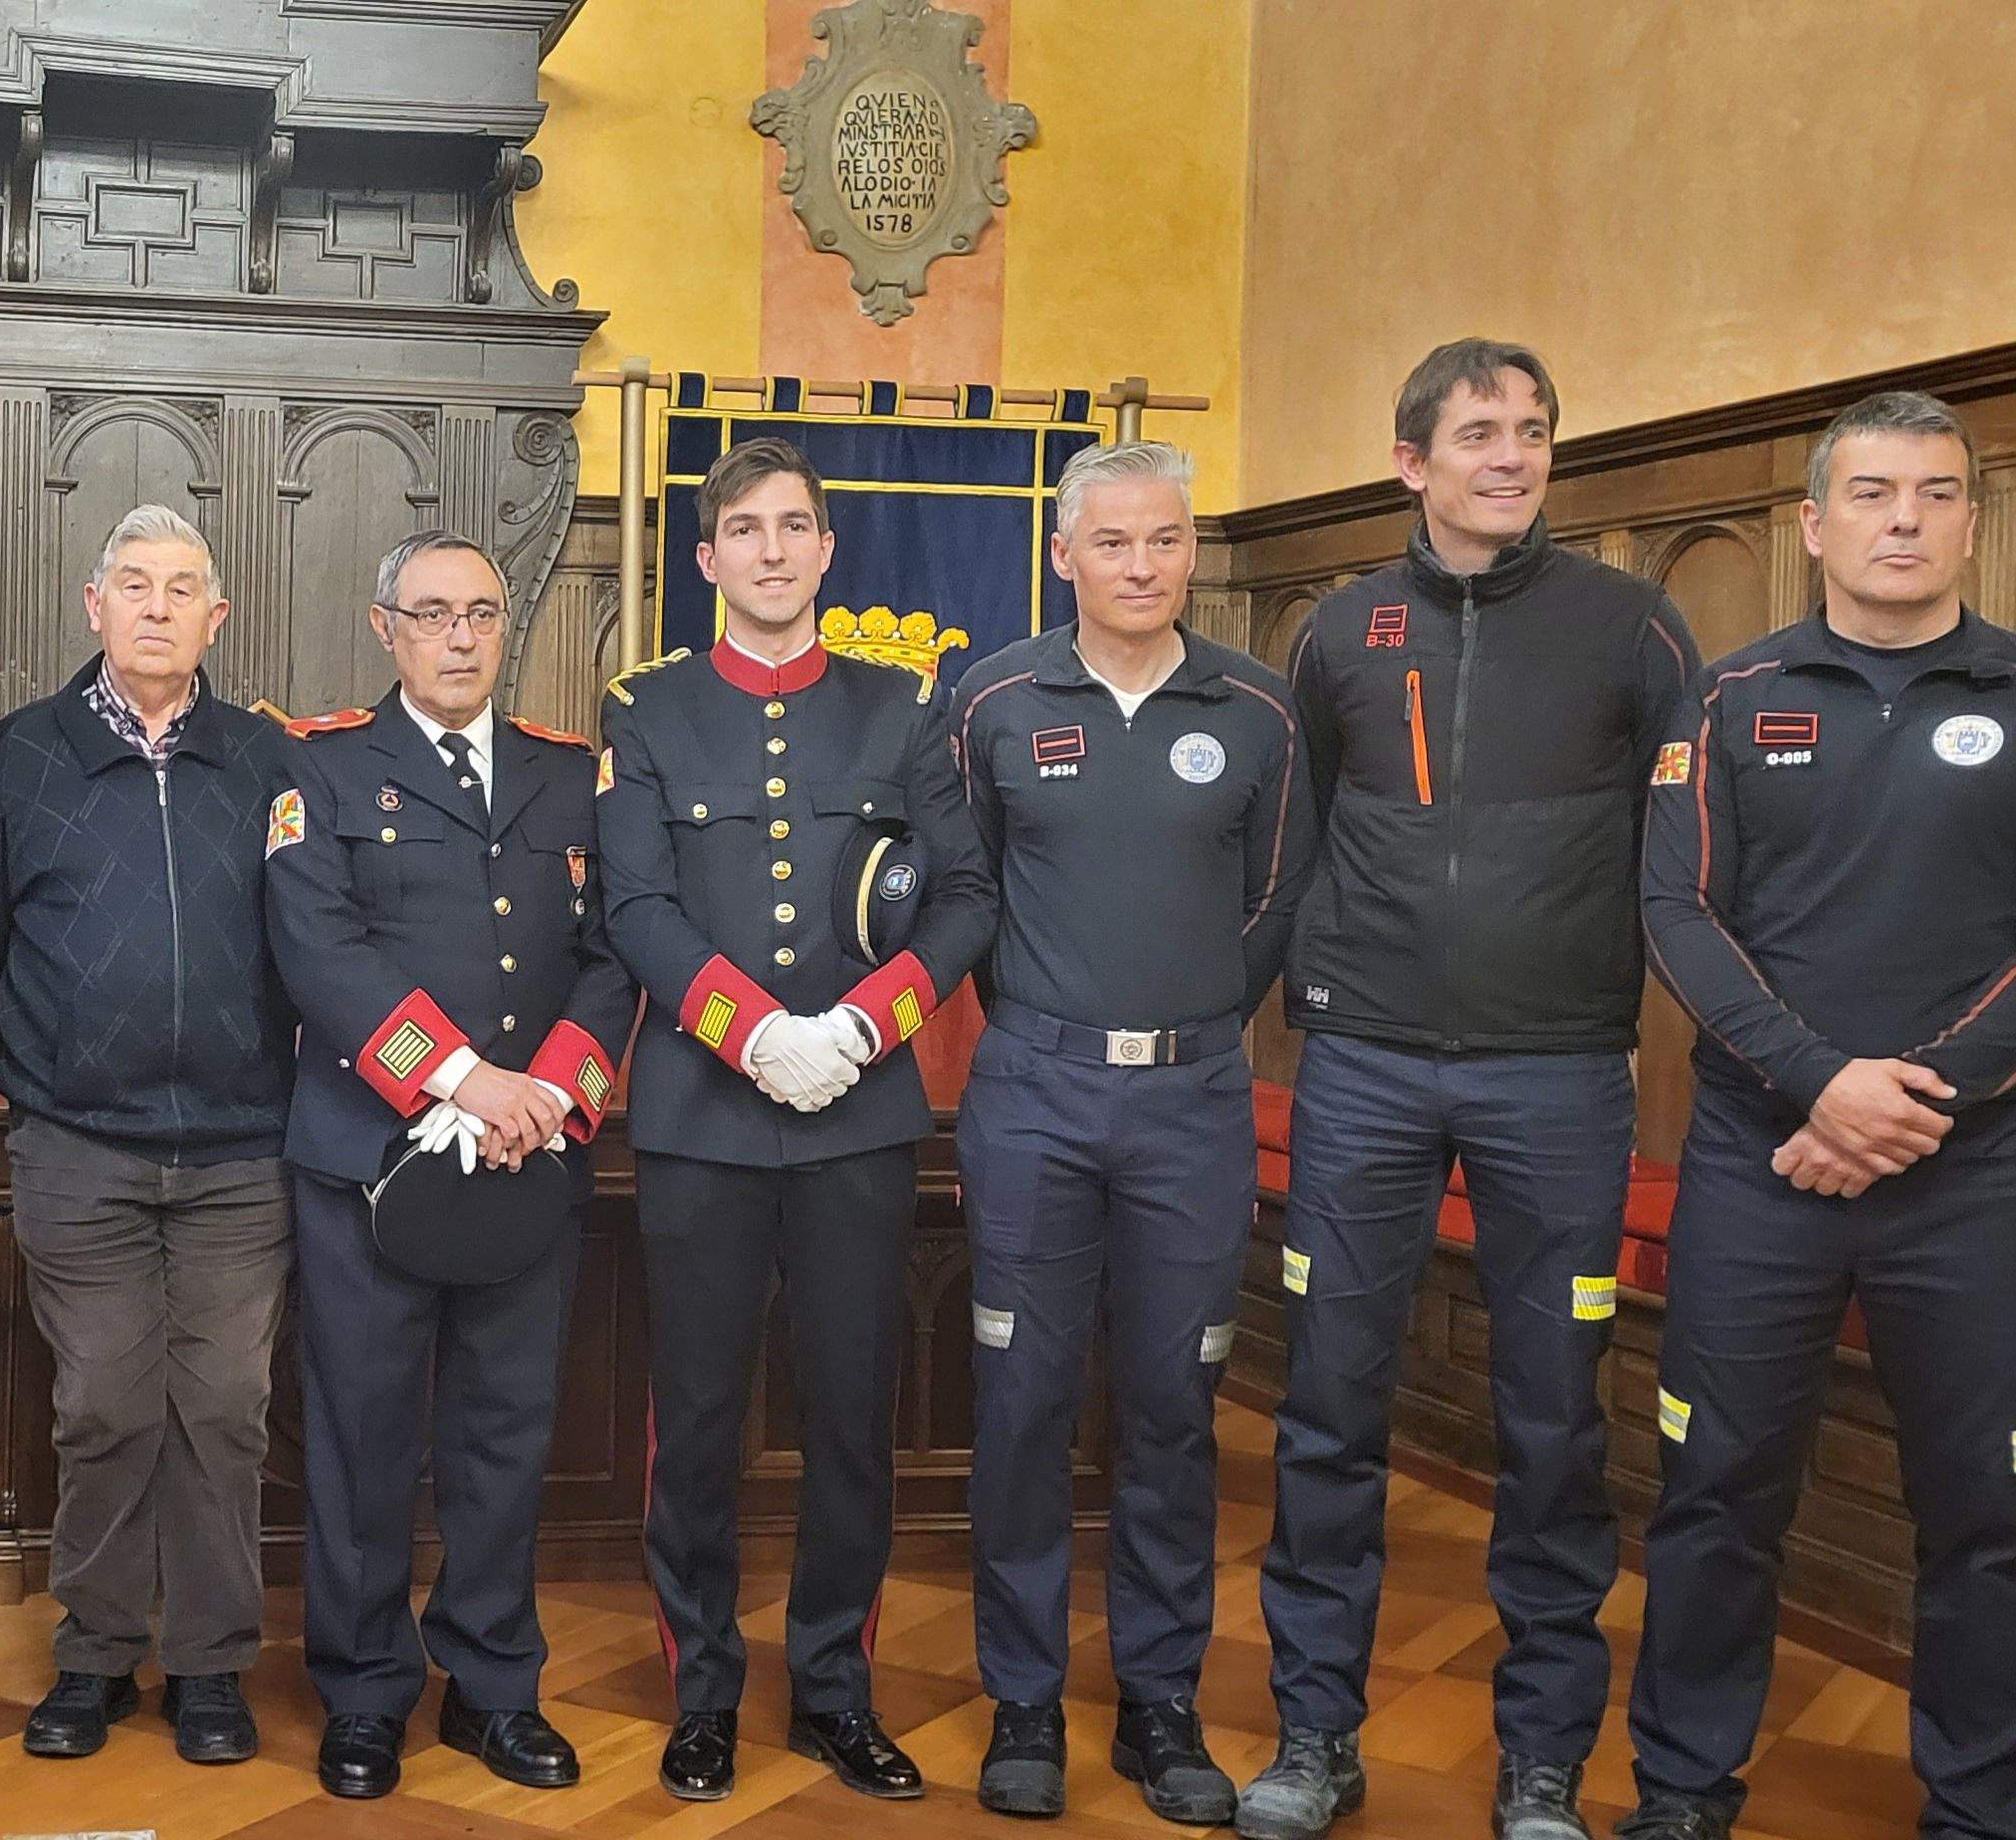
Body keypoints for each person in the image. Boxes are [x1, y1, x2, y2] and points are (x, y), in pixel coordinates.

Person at [1622, 391, 2016, 1840]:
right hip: (1756, 1166)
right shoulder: (1725, 700)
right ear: (1813, 524)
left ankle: (1981, 1810)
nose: (1903, 517)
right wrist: (1819, 1084)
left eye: (1934, 492)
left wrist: (1910, 1101)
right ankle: (1680, 1788)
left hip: (1970, 1188)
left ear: (1975, 517)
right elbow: (1679, 912)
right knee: (1714, 1494)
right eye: (1871, 493)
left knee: (1988, 1519)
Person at [1248, 341, 1698, 1840]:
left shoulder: (1633, 631)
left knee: (1557, 1424)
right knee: (1326, 1409)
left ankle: (1543, 1760)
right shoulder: (1336, 634)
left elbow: (1688, 861)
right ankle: (1316, 1734)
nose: (1513, 456)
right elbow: (1291, 841)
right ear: (1412, 462)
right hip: (1365, 1073)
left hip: (1558, 1079)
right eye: (1480, 432)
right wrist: (1305, 999)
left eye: (1534, 431)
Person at [594, 436, 996, 1805]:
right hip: (703, 1117)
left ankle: (834, 1689)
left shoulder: (903, 710)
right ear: (706, 561)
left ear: (829, 552)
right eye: (747, 530)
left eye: (797, 527)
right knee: (697, 1420)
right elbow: (636, 905)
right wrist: (748, 1028)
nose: (774, 549)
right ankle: (703, 1692)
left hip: (858, 1119)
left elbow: (963, 899)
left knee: (847, 1416)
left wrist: (863, 1028)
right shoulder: (646, 712)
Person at [947, 440, 1313, 1821]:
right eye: (1114, 543)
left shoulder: (1261, 712)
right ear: (1064, 554)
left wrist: (1184, 1018)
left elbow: (1275, 904)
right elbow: (971, 894)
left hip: (1195, 1104)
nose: (1144, 565)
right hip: (1033, 1095)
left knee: (1174, 1408)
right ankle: (1023, 1701)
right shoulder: (988, 697)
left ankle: (1160, 1704)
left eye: (1166, 541)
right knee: (1025, 1405)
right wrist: (1053, 1024)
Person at [267, 531, 634, 1801]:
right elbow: (317, 949)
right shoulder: (317, 770)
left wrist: (545, 1097)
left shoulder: (567, 777)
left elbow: (610, 951)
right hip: (371, 1162)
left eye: (481, 613)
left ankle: (491, 1688)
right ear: (387, 631)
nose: (462, 637)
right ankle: (364, 1694)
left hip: (527, 1156)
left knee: (503, 1435)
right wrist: (459, 1079)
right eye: (433, 615)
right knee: (363, 1437)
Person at [0, 506, 302, 1767]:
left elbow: (313, 945)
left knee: (227, 1408)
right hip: (79, 1154)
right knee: (102, 1407)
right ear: (92, 607)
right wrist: (39, 1082)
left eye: (181, 587)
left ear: (217, 618)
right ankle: (93, 1655)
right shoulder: (23, 755)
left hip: (242, 1156)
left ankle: (206, 1664)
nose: (155, 607)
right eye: (132, 586)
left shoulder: (264, 762)